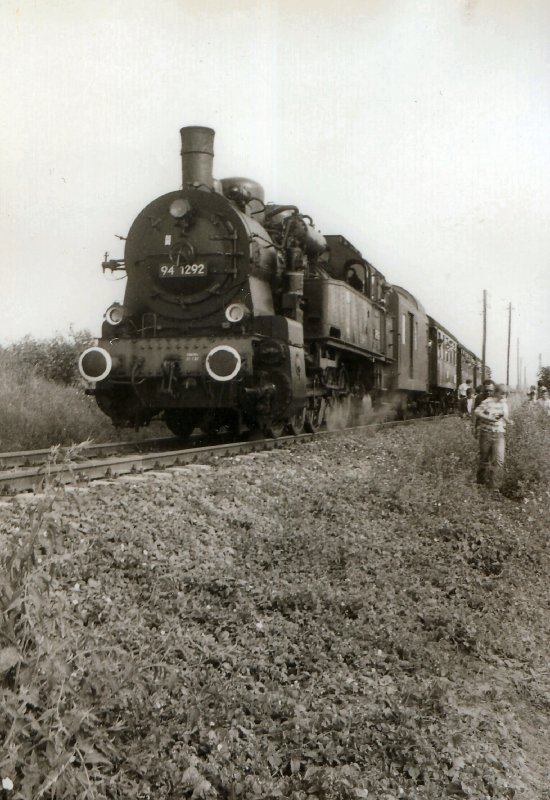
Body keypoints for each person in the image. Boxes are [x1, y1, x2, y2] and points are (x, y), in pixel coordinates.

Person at [474, 383, 512, 488]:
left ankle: (495, 487)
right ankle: (480, 484)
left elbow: (504, 416)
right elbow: (477, 412)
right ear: (496, 393)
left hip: (499, 434)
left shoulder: (504, 404)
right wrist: (488, 418)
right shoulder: (487, 402)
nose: (504, 396)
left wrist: (509, 421)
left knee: (499, 461)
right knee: (484, 460)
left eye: (505, 394)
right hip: (486, 433)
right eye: (502, 393)